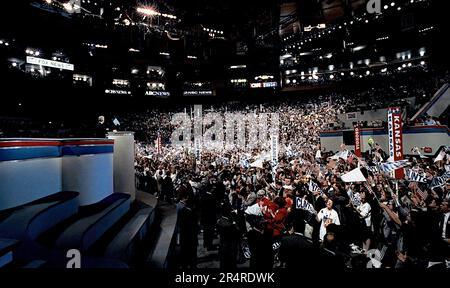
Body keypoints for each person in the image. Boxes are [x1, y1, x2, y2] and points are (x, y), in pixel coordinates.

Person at [176, 186, 198, 269]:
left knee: (184, 251)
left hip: (182, 232)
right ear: (185, 197)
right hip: (188, 233)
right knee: (190, 252)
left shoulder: (178, 206)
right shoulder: (185, 209)